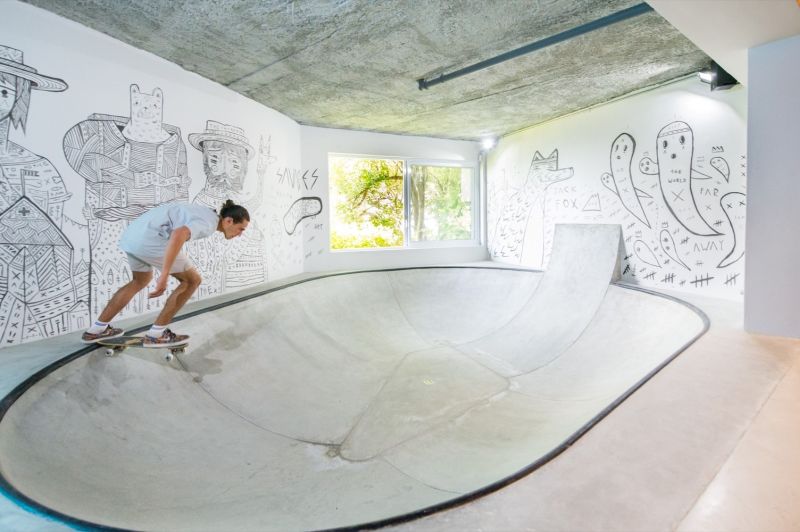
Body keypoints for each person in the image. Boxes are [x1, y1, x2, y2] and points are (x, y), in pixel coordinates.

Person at [81, 200, 249, 346]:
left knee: (140, 280)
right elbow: (179, 234)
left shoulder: (205, 213)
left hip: (132, 237)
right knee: (192, 281)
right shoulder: (209, 223)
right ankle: (156, 335)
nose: (240, 234)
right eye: (240, 228)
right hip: (151, 239)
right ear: (228, 221)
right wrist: (164, 274)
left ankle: (96, 330)